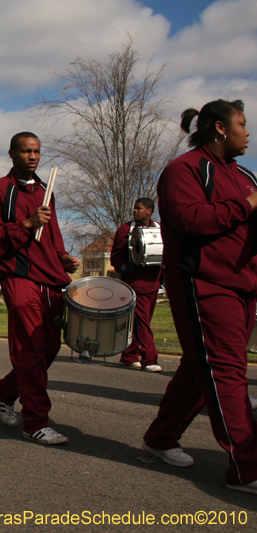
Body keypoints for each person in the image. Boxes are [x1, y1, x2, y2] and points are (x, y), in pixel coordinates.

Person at [141, 99, 257, 494]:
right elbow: (190, 219)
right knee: (226, 372)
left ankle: (160, 437)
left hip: (244, 286)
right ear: (220, 128)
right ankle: (247, 469)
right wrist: (246, 206)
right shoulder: (183, 170)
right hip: (203, 283)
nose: (248, 132)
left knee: (199, 365)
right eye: (242, 124)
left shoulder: (245, 175)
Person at [0, 131, 80, 445]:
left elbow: (54, 234)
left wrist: (63, 256)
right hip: (19, 277)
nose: (32, 157)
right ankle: (35, 421)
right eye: (25, 151)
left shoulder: (46, 190)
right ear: (11, 154)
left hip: (51, 278)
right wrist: (26, 225)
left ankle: (6, 390)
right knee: (31, 349)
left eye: (36, 151)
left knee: (49, 348)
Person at [110, 198, 163, 372]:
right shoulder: (125, 229)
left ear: (149, 211)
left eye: (139, 209)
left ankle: (129, 355)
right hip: (134, 282)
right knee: (142, 322)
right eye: (134, 208)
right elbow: (116, 256)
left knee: (140, 321)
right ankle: (149, 359)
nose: (135, 211)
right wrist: (124, 267)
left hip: (153, 283)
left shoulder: (160, 229)